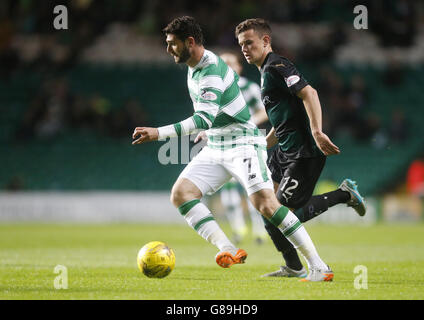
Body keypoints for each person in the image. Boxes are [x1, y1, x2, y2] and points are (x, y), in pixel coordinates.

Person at [133, 16, 334, 281]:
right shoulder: (195, 67)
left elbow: (202, 118)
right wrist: (211, 128)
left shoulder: (211, 71)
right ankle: (228, 248)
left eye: (172, 44)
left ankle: (319, 267)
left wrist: (158, 133)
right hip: (217, 144)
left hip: (242, 146)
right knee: (182, 194)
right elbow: (215, 114)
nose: (168, 49)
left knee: (267, 206)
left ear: (190, 42)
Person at [235, 18, 366, 278]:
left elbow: (310, 93)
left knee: (281, 214)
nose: (245, 49)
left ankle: (344, 194)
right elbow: (281, 122)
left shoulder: (277, 66)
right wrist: (260, 144)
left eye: (249, 43)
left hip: (303, 154)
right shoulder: (264, 74)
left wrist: (317, 132)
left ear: (265, 41)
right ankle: (293, 267)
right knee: (265, 207)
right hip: (283, 152)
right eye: (241, 45)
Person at [196, 51, 268, 245]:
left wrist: (247, 123)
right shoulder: (213, 90)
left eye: (231, 63)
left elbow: (265, 112)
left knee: (253, 190)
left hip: (248, 143)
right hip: (222, 144)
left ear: (239, 67)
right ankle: (238, 230)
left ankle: (260, 232)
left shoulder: (249, 87)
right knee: (229, 194)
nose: (226, 66)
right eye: (223, 63)